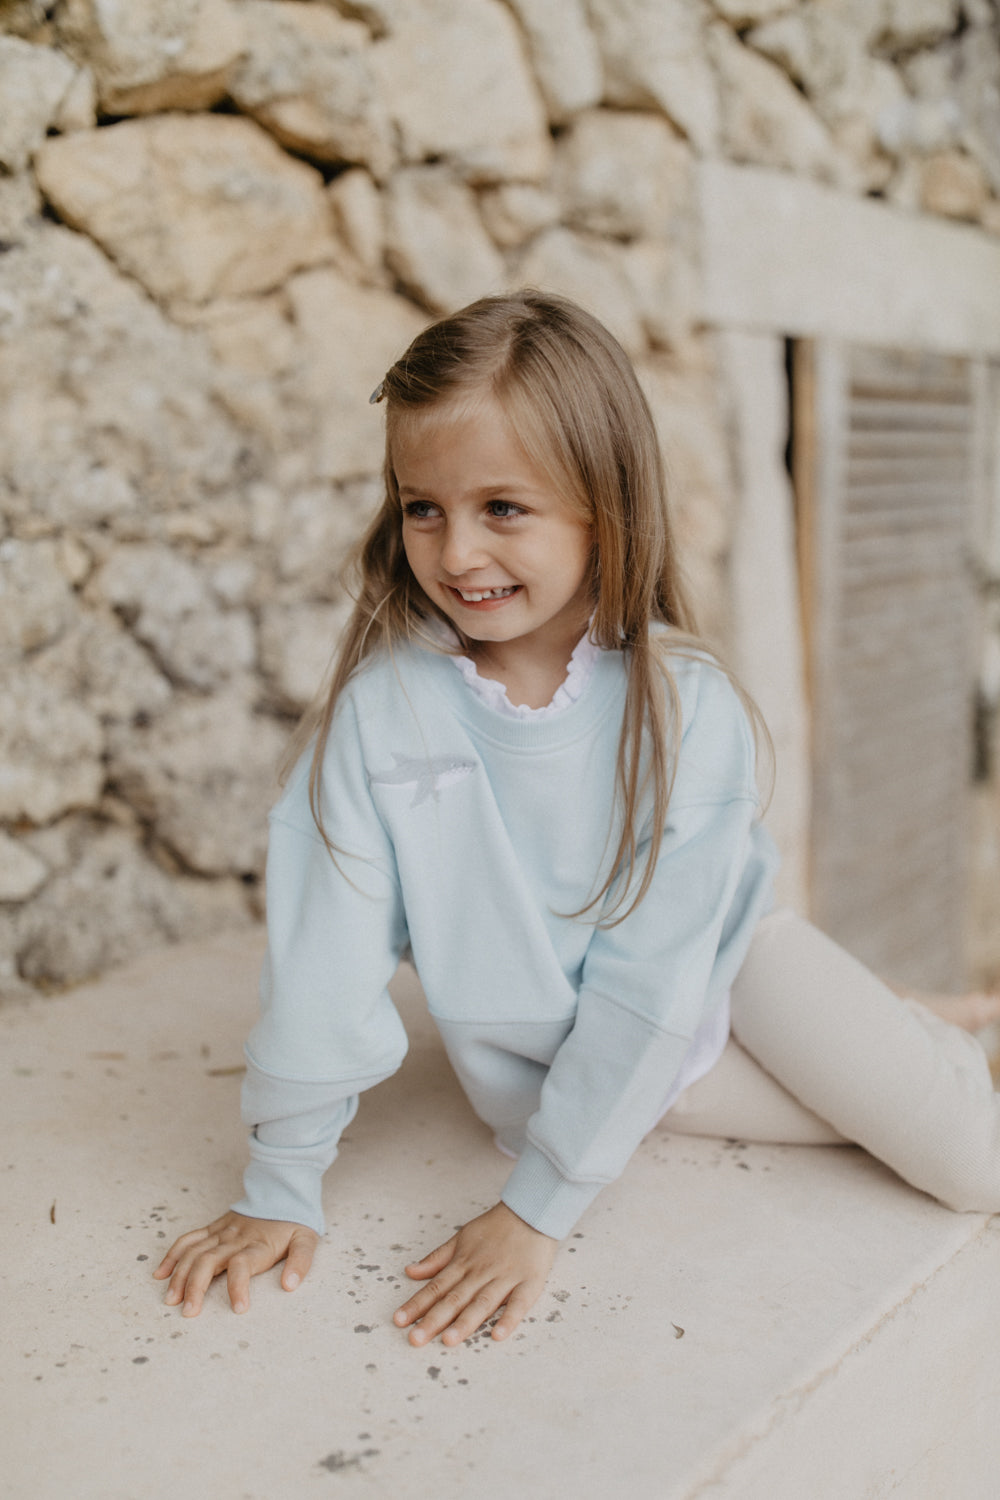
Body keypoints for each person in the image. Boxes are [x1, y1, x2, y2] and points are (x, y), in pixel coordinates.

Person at [156, 290, 1000, 1347]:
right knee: (852, 1122)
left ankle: (924, 1024)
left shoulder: (682, 706)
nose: (457, 553)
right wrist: (281, 1182)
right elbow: (322, 959)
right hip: (598, 1061)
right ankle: (918, 1018)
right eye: (424, 508)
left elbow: (652, 976)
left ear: (604, 506)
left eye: (503, 509)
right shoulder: (380, 717)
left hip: (733, 967)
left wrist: (537, 1210)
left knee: (972, 1161)